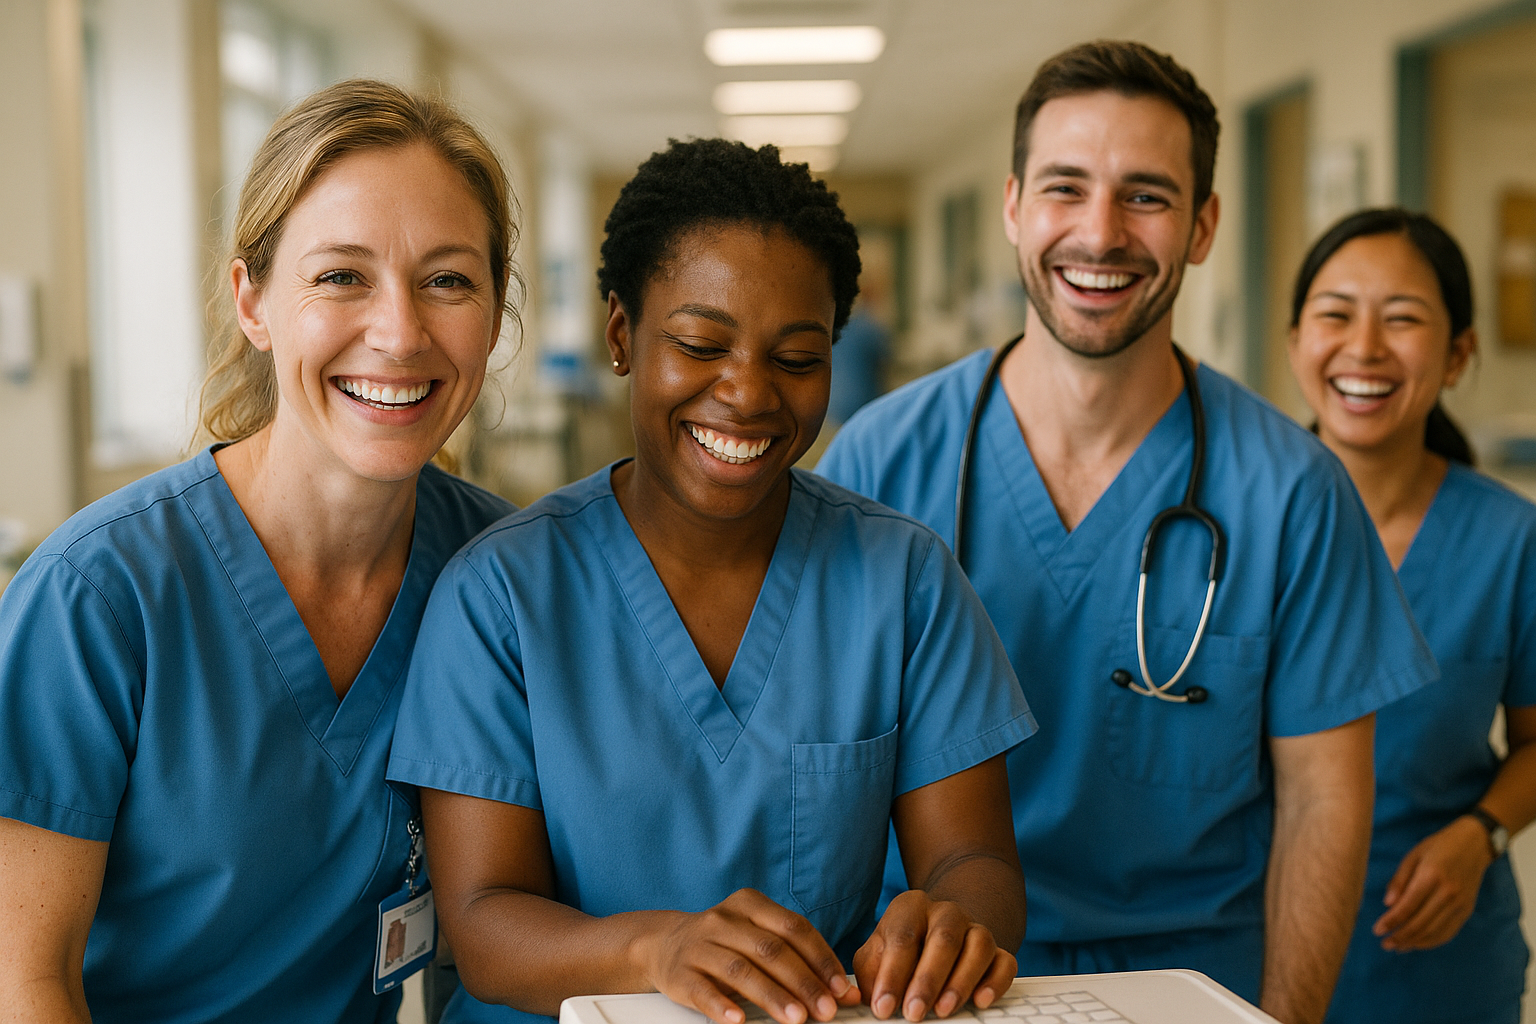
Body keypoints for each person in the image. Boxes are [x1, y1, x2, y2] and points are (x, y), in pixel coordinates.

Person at [816, 40, 1438, 1024]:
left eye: (1146, 195)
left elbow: (1326, 803)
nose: (1100, 234)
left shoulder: (1293, 492)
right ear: (1016, 205)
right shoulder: (878, 465)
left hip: (1193, 987)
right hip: (925, 981)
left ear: (1202, 225)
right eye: (1067, 188)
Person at [385, 138, 1036, 1024]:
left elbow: (975, 863)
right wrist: (657, 950)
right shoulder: (502, 596)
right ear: (622, 334)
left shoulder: (905, 581)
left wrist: (954, 926)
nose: (748, 393)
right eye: (700, 343)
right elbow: (480, 925)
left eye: (798, 358)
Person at [0, 79, 518, 1022]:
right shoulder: (98, 598)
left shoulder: (498, 575)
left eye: (447, 279)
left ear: (492, 312)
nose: (400, 333)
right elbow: (23, 982)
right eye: (340, 276)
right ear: (253, 302)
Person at [1285, 209, 1536, 1024]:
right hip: (1251, 943)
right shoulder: (1228, 519)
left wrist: (1483, 834)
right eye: (1335, 314)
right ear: (1295, 342)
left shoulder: (1508, 537)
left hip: (1435, 967)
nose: (1364, 348)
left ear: (1459, 354)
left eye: (1403, 320)